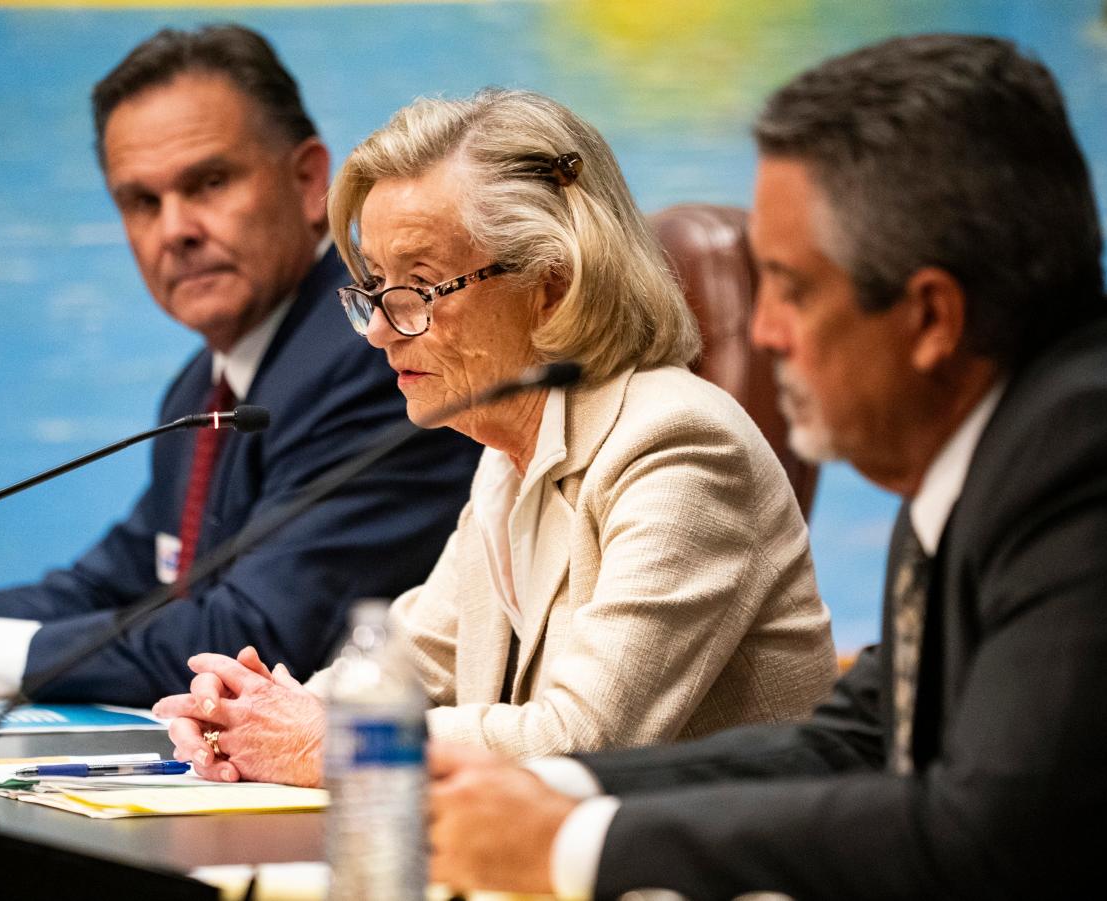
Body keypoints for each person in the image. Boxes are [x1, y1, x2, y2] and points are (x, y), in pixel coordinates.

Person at [425, 33, 1107, 899]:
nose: (761, 333)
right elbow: (856, 741)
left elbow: (987, 837)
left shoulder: (1084, 453)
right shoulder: (981, 453)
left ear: (932, 317)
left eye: (791, 287)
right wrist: (553, 791)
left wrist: (578, 846)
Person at [151, 88, 838, 785]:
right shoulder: (509, 459)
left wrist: (326, 738)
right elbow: (409, 662)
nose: (383, 330)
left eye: (419, 286)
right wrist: (248, 715)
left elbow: (583, 738)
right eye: (376, 286)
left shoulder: (679, 446)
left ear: (552, 285)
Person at [0, 24, 481, 706]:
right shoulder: (204, 384)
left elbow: (250, 635)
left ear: (311, 180)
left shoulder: (376, 357)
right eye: (142, 202)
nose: (176, 229)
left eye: (210, 182)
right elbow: (117, 579)